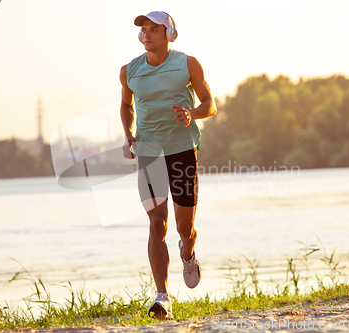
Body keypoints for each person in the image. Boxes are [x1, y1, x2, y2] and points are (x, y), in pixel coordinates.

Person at [119, 11, 216, 320]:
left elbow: (210, 104)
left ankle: (187, 252)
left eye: (153, 29)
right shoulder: (129, 71)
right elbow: (125, 104)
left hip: (182, 150)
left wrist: (192, 114)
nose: (146, 34)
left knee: (184, 228)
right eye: (143, 30)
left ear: (169, 33)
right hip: (148, 151)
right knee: (156, 222)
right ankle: (162, 296)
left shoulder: (187, 63)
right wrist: (128, 135)